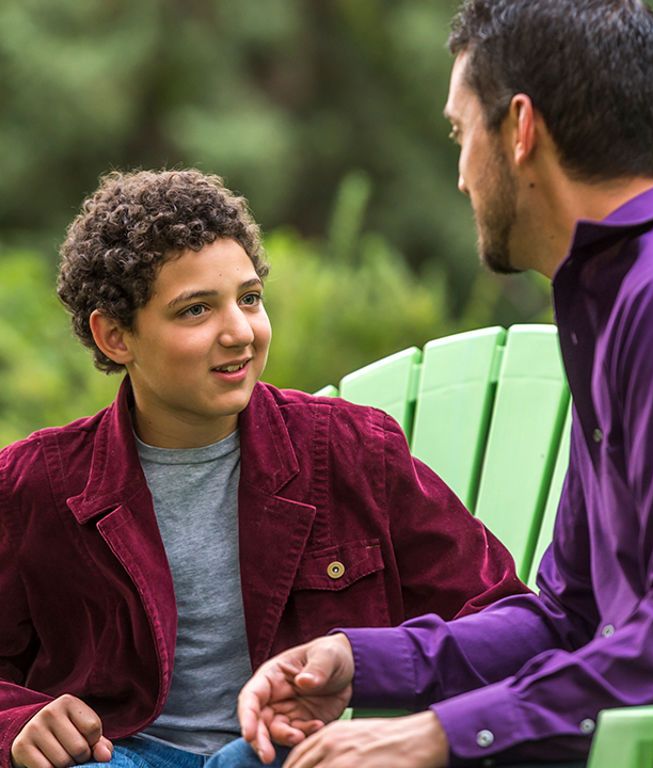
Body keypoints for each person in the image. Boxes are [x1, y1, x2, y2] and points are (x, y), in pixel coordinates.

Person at [236, 1, 653, 766]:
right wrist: (359, 660)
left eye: (460, 133)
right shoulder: (621, 304)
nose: (458, 175)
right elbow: (569, 616)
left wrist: (442, 736)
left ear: (520, 130)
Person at [0, 168, 528, 768]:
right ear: (116, 336)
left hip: (288, 754)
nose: (240, 332)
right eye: (196, 310)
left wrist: (369, 669)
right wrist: (17, 722)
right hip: (118, 756)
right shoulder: (33, 485)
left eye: (250, 298)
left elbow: (505, 621)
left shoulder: (355, 451)